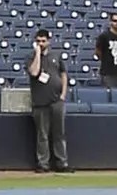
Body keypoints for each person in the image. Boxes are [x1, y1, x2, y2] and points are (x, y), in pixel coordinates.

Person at [26, 28, 68, 173]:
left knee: (59, 134)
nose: (41, 43)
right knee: (42, 135)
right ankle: (43, 164)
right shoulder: (31, 57)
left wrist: (63, 94)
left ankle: (62, 163)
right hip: (40, 103)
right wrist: (37, 53)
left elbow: (63, 74)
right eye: (38, 41)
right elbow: (34, 72)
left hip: (56, 101)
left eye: (43, 41)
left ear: (48, 42)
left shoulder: (56, 56)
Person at [95, 11, 117, 86]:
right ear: (110, 22)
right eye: (115, 21)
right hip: (108, 73)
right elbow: (98, 52)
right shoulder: (104, 36)